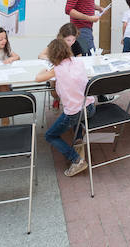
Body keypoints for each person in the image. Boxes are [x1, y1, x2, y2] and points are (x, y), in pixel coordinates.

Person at [35, 38, 95, 178]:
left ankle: (76, 159)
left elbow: (38, 78)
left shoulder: (56, 70)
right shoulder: (79, 62)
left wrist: (45, 68)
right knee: (77, 116)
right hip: (90, 107)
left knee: (50, 135)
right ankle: (78, 140)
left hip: (74, 112)